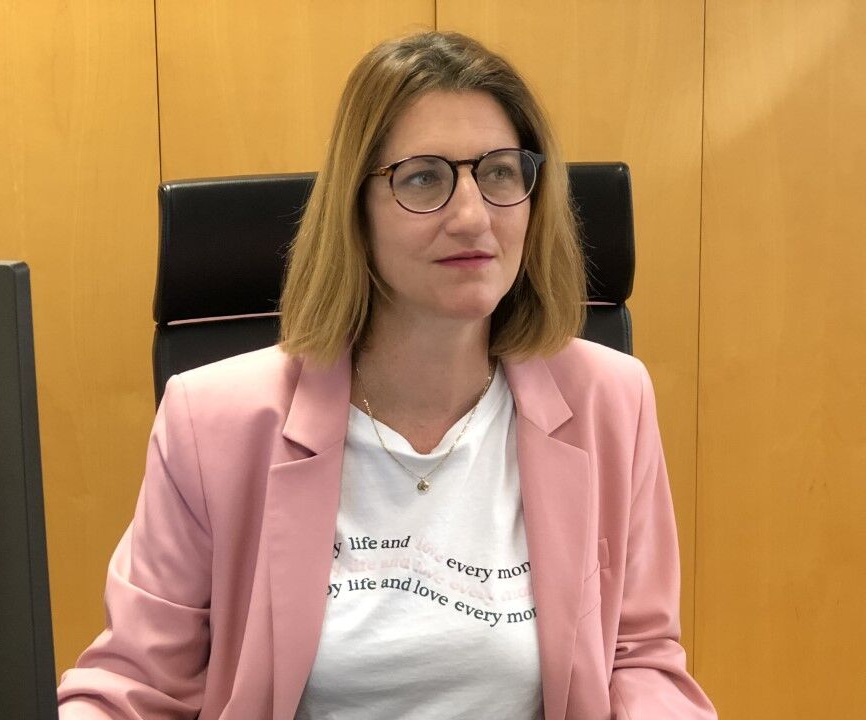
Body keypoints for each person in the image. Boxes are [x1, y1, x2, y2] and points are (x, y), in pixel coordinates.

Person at [57, 31, 716, 719]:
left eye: (499, 173)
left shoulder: (609, 400)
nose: (472, 216)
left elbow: (638, 657)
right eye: (423, 177)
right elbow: (135, 685)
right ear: (356, 209)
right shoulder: (211, 422)